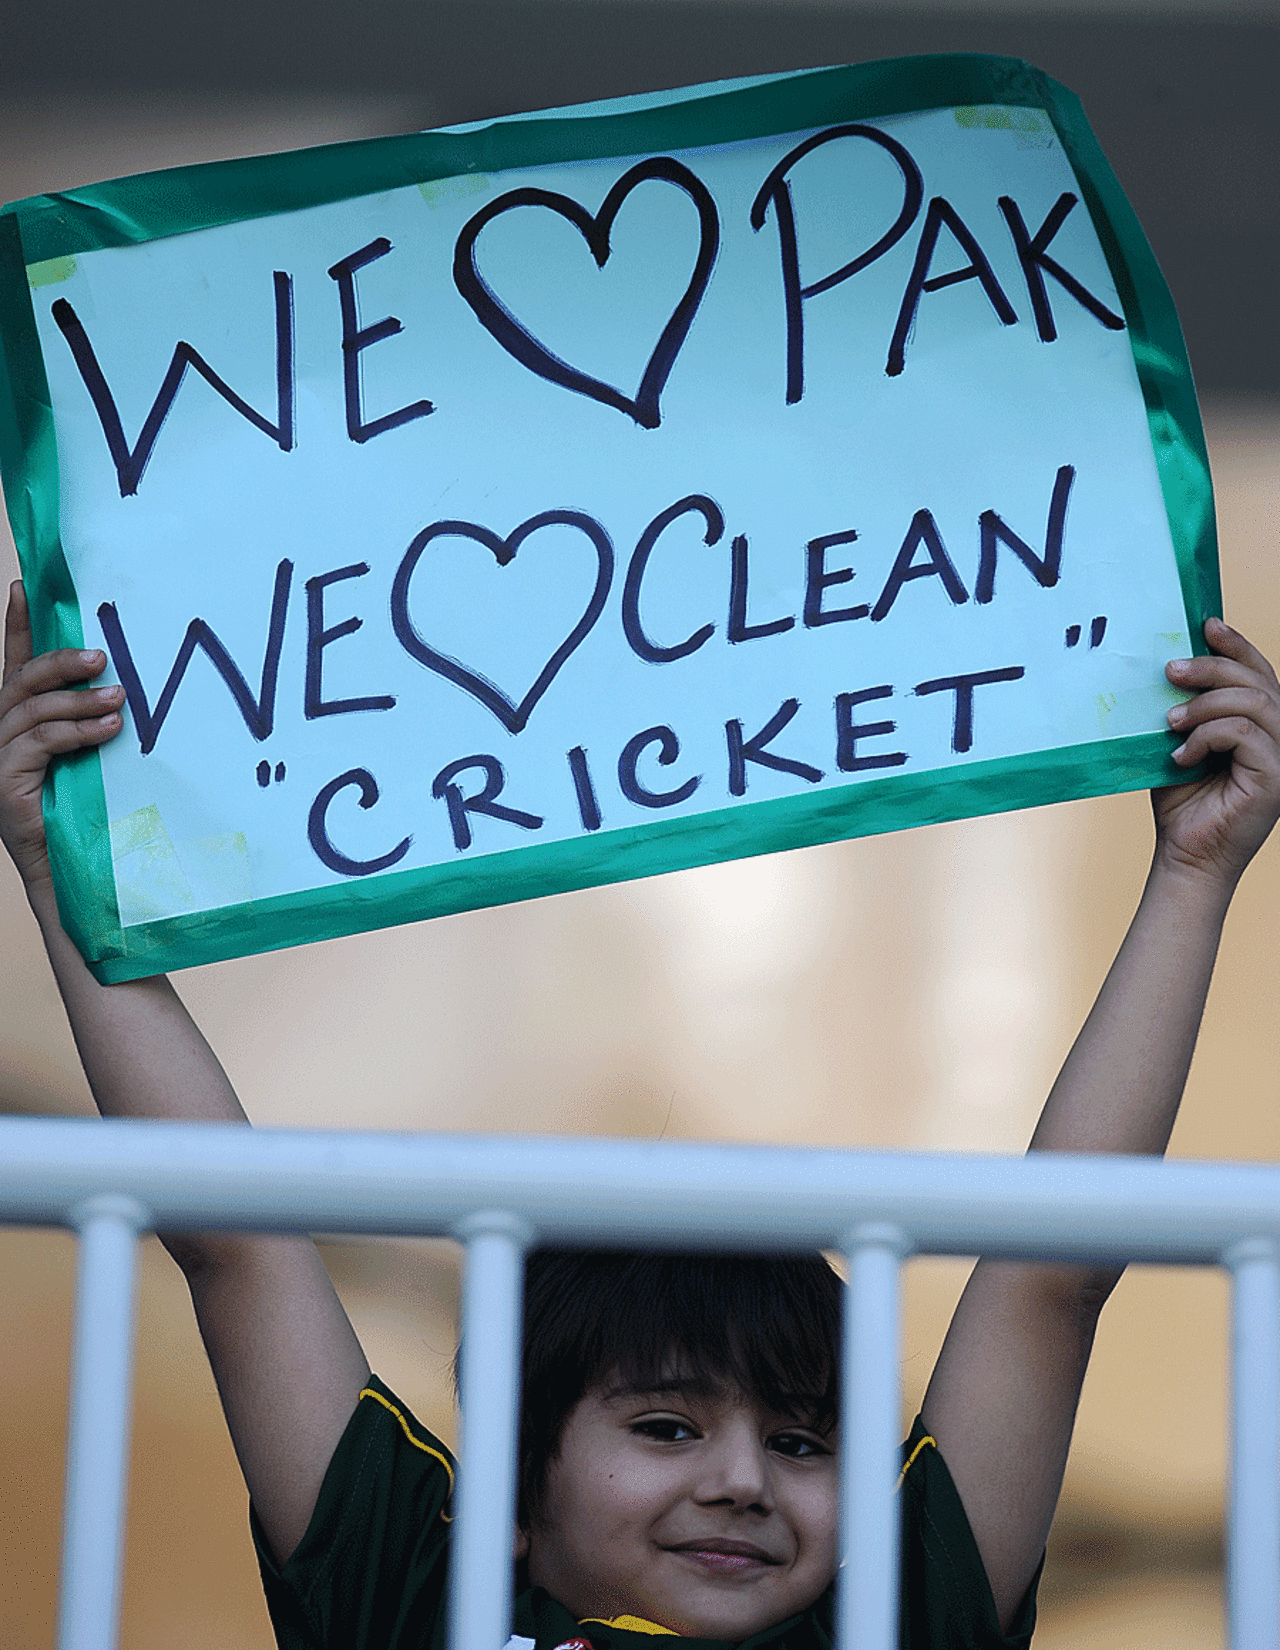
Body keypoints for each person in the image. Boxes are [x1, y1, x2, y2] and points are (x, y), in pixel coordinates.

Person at [1, 574, 1278, 1649]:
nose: (739, 1482)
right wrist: (57, 866)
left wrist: (1190, 876)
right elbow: (233, 1245)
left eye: (801, 1440)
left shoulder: (894, 1616)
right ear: (507, 1488)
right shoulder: (414, 1596)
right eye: (665, 1424)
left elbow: (1053, 1276)